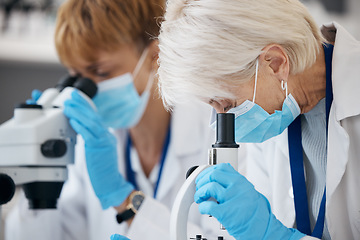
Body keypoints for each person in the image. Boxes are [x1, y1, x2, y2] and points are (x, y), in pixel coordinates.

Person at [5, 0, 236, 239]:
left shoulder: (217, 130)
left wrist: (122, 198)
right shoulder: (91, 143)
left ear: (154, 56)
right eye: (76, 77)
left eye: (101, 72)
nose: (87, 92)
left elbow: (223, 235)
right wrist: (39, 180)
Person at [157, 0, 360, 239]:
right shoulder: (275, 118)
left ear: (275, 63)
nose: (223, 119)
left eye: (227, 103)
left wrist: (272, 235)